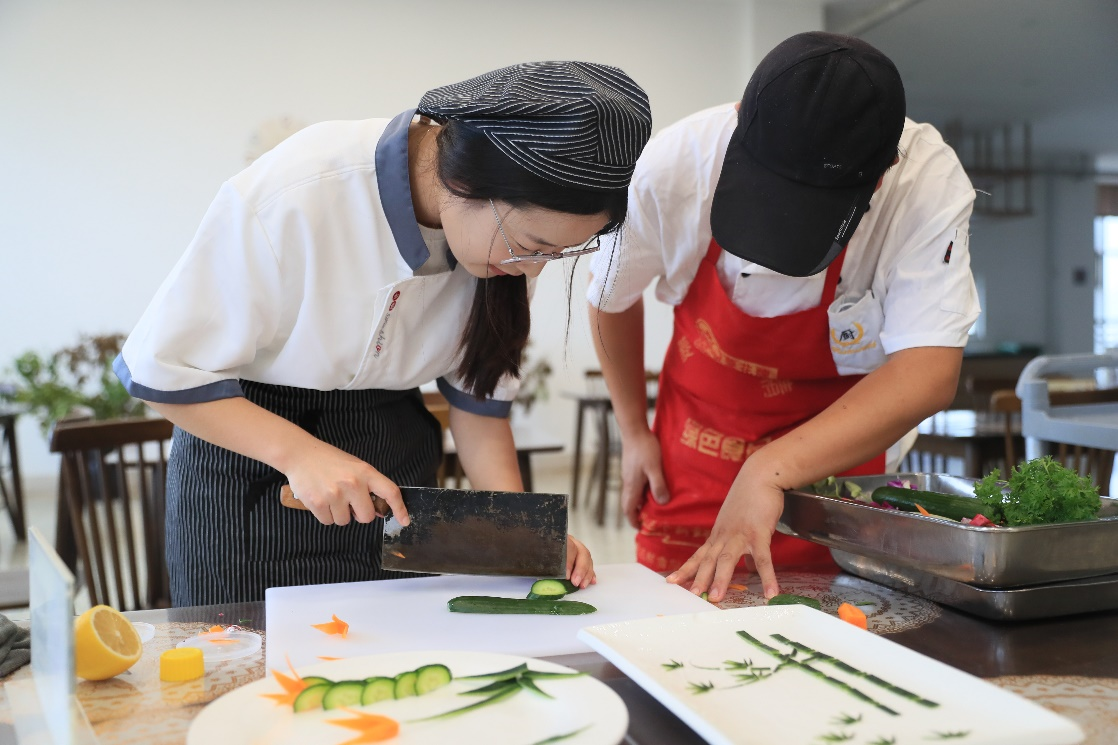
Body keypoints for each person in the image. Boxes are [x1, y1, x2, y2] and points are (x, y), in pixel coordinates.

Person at [115, 61, 652, 605]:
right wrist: (301, 455)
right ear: (467, 182)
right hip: (252, 461)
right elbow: (163, 366)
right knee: (248, 665)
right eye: (532, 245)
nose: (534, 269)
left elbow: (479, 408)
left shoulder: (504, 249)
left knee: (394, 653)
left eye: (555, 256)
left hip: (393, 461)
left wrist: (519, 535)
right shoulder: (302, 189)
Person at [586, 32, 978, 603]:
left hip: (837, 474)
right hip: (696, 453)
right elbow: (608, 297)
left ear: (883, 170)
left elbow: (928, 372)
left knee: (837, 638)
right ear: (742, 118)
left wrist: (769, 469)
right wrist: (633, 432)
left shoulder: (925, 186)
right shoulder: (676, 164)